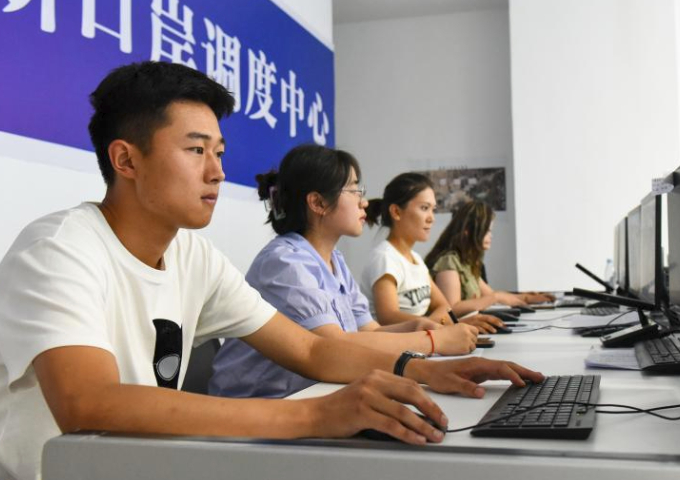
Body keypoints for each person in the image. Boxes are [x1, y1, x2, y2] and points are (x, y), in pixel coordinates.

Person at [0, 62, 545, 480]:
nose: (217, 172)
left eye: (219, 151)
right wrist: (315, 416)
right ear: (126, 160)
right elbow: (88, 404)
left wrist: (416, 369)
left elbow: (310, 350)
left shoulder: (194, 256)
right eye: (196, 150)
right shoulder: (58, 250)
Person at [209, 147, 480, 399]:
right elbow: (335, 347)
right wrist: (433, 341)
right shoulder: (285, 262)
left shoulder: (334, 261)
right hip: (261, 406)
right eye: (354, 190)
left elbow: (371, 329)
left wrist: (416, 326)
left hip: (312, 395)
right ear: (318, 203)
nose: (364, 203)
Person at [361, 173, 505, 333]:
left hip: (422, 340)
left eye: (433, 209)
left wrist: (443, 324)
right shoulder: (385, 258)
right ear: (396, 212)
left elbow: (444, 306)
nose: (431, 218)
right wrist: (440, 326)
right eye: (424, 208)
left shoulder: (415, 259)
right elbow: (388, 317)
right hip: (396, 350)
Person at [425, 201, 555, 317]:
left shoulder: (466, 263)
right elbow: (451, 309)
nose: (491, 236)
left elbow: (491, 294)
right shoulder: (449, 262)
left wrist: (527, 298)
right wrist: (495, 298)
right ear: (468, 232)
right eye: (487, 231)